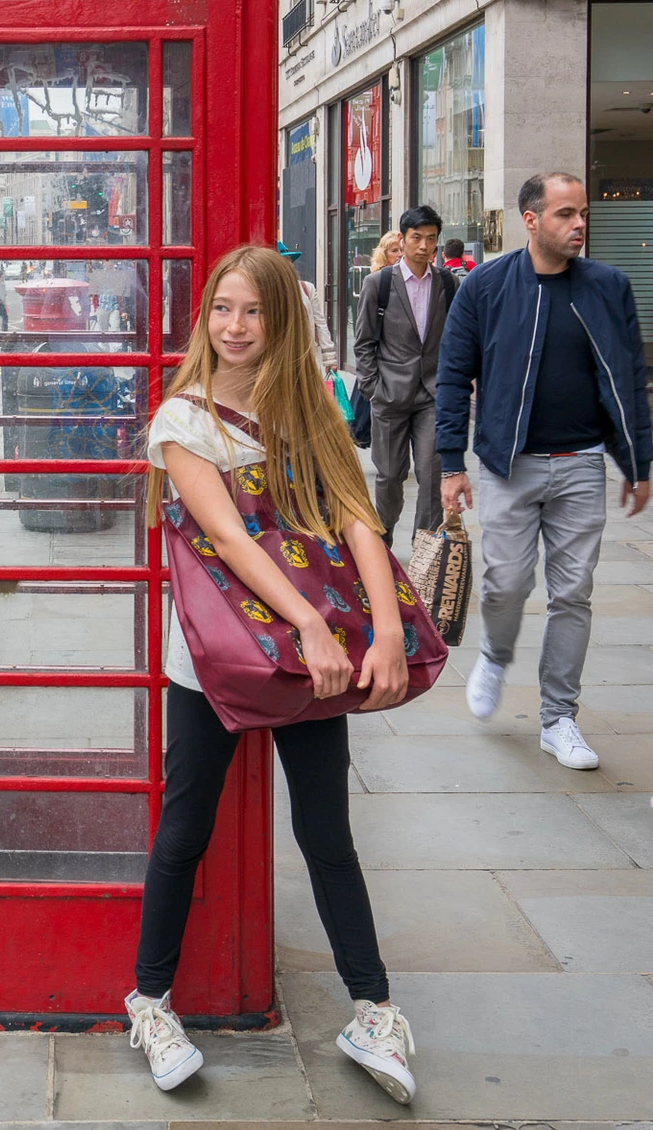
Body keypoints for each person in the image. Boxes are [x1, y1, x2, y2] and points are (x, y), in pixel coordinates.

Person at [131, 245, 415, 1104]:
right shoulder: (183, 422)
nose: (235, 327)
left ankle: (374, 1008)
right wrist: (310, 628)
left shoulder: (311, 413)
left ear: (281, 320)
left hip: (310, 659)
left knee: (327, 834)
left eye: (253, 311)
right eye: (223, 309)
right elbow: (227, 535)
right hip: (216, 661)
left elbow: (358, 519)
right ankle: (149, 1001)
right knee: (186, 829)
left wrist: (390, 630)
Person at [439, 172, 653, 769]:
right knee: (506, 584)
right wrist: (451, 463)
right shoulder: (485, 286)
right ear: (531, 220)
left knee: (573, 595)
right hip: (509, 467)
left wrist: (639, 461)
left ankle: (560, 718)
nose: (578, 223)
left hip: (583, 465)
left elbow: (630, 379)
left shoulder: (608, 286)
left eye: (581, 213)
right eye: (564, 214)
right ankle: (496, 655)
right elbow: (453, 376)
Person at [354, 207, 457, 547]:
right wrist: (374, 389)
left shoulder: (447, 282)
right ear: (402, 239)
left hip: (432, 396)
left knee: (430, 476)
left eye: (431, 239)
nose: (424, 246)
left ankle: (424, 546)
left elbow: (456, 337)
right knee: (390, 477)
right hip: (390, 396)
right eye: (416, 238)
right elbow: (364, 342)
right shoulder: (378, 284)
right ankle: (381, 540)